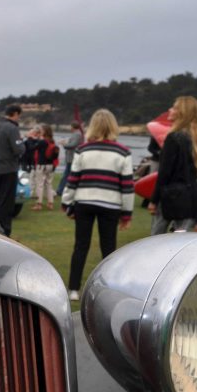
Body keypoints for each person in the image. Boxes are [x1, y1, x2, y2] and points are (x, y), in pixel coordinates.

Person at [62, 109, 133, 301]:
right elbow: (127, 186)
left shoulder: (82, 150)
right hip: (110, 204)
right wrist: (127, 213)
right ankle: (108, 288)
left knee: (81, 246)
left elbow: (73, 179)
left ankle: (74, 290)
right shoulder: (123, 152)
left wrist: (66, 203)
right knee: (108, 247)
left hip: (84, 202)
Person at [148, 96, 197, 234]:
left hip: (171, 196)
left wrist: (153, 200)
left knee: (156, 240)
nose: (170, 109)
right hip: (191, 198)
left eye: (174, 107)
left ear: (182, 112)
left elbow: (164, 173)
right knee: (181, 242)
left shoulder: (174, 138)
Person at [0, 104, 24, 236]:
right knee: (6, 203)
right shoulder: (12, 128)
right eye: (19, 116)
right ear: (15, 114)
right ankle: (4, 232)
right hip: (8, 169)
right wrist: (22, 143)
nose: (19, 119)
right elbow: (18, 149)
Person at [26, 124, 57, 210]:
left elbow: (32, 148)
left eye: (41, 130)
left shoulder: (42, 141)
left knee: (39, 184)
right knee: (49, 184)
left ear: (44, 131)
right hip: (50, 165)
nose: (39, 131)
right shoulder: (51, 141)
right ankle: (50, 203)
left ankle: (39, 204)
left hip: (41, 165)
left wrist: (30, 138)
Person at [56, 120, 84, 196]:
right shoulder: (76, 134)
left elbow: (73, 145)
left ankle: (60, 191)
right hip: (71, 158)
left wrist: (64, 144)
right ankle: (63, 190)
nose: (70, 128)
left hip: (72, 158)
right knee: (69, 174)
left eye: (70, 126)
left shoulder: (77, 134)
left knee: (66, 175)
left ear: (73, 127)